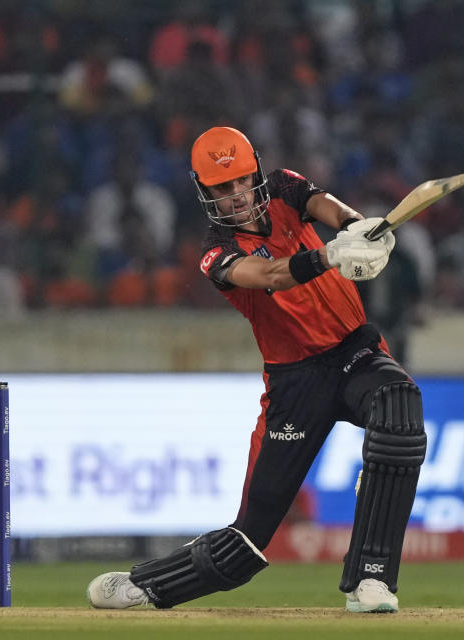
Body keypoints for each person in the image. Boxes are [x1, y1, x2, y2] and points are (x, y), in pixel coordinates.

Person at [86, 126, 425, 613]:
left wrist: (359, 229)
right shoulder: (214, 251)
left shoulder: (285, 185)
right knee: (247, 543)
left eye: (241, 182)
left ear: (255, 175)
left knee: (399, 409)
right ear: (205, 192)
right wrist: (331, 254)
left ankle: (371, 579)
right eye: (221, 189)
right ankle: (145, 585)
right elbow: (268, 274)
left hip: (354, 352)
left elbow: (329, 208)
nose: (235, 196)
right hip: (295, 384)